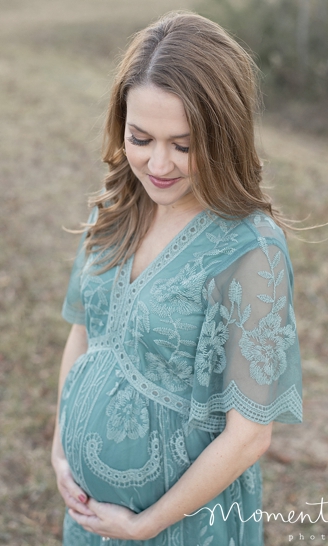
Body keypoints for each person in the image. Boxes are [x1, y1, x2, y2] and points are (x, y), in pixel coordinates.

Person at [51, 12, 302, 545]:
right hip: (90, 517)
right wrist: (60, 448)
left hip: (180, 528)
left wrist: (144, 526)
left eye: (184, 145)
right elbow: (84, 335)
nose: (158, 164)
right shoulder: (116, 208)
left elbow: (250, 435)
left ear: (224, 135)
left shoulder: (250, 249)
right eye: (140, 137)